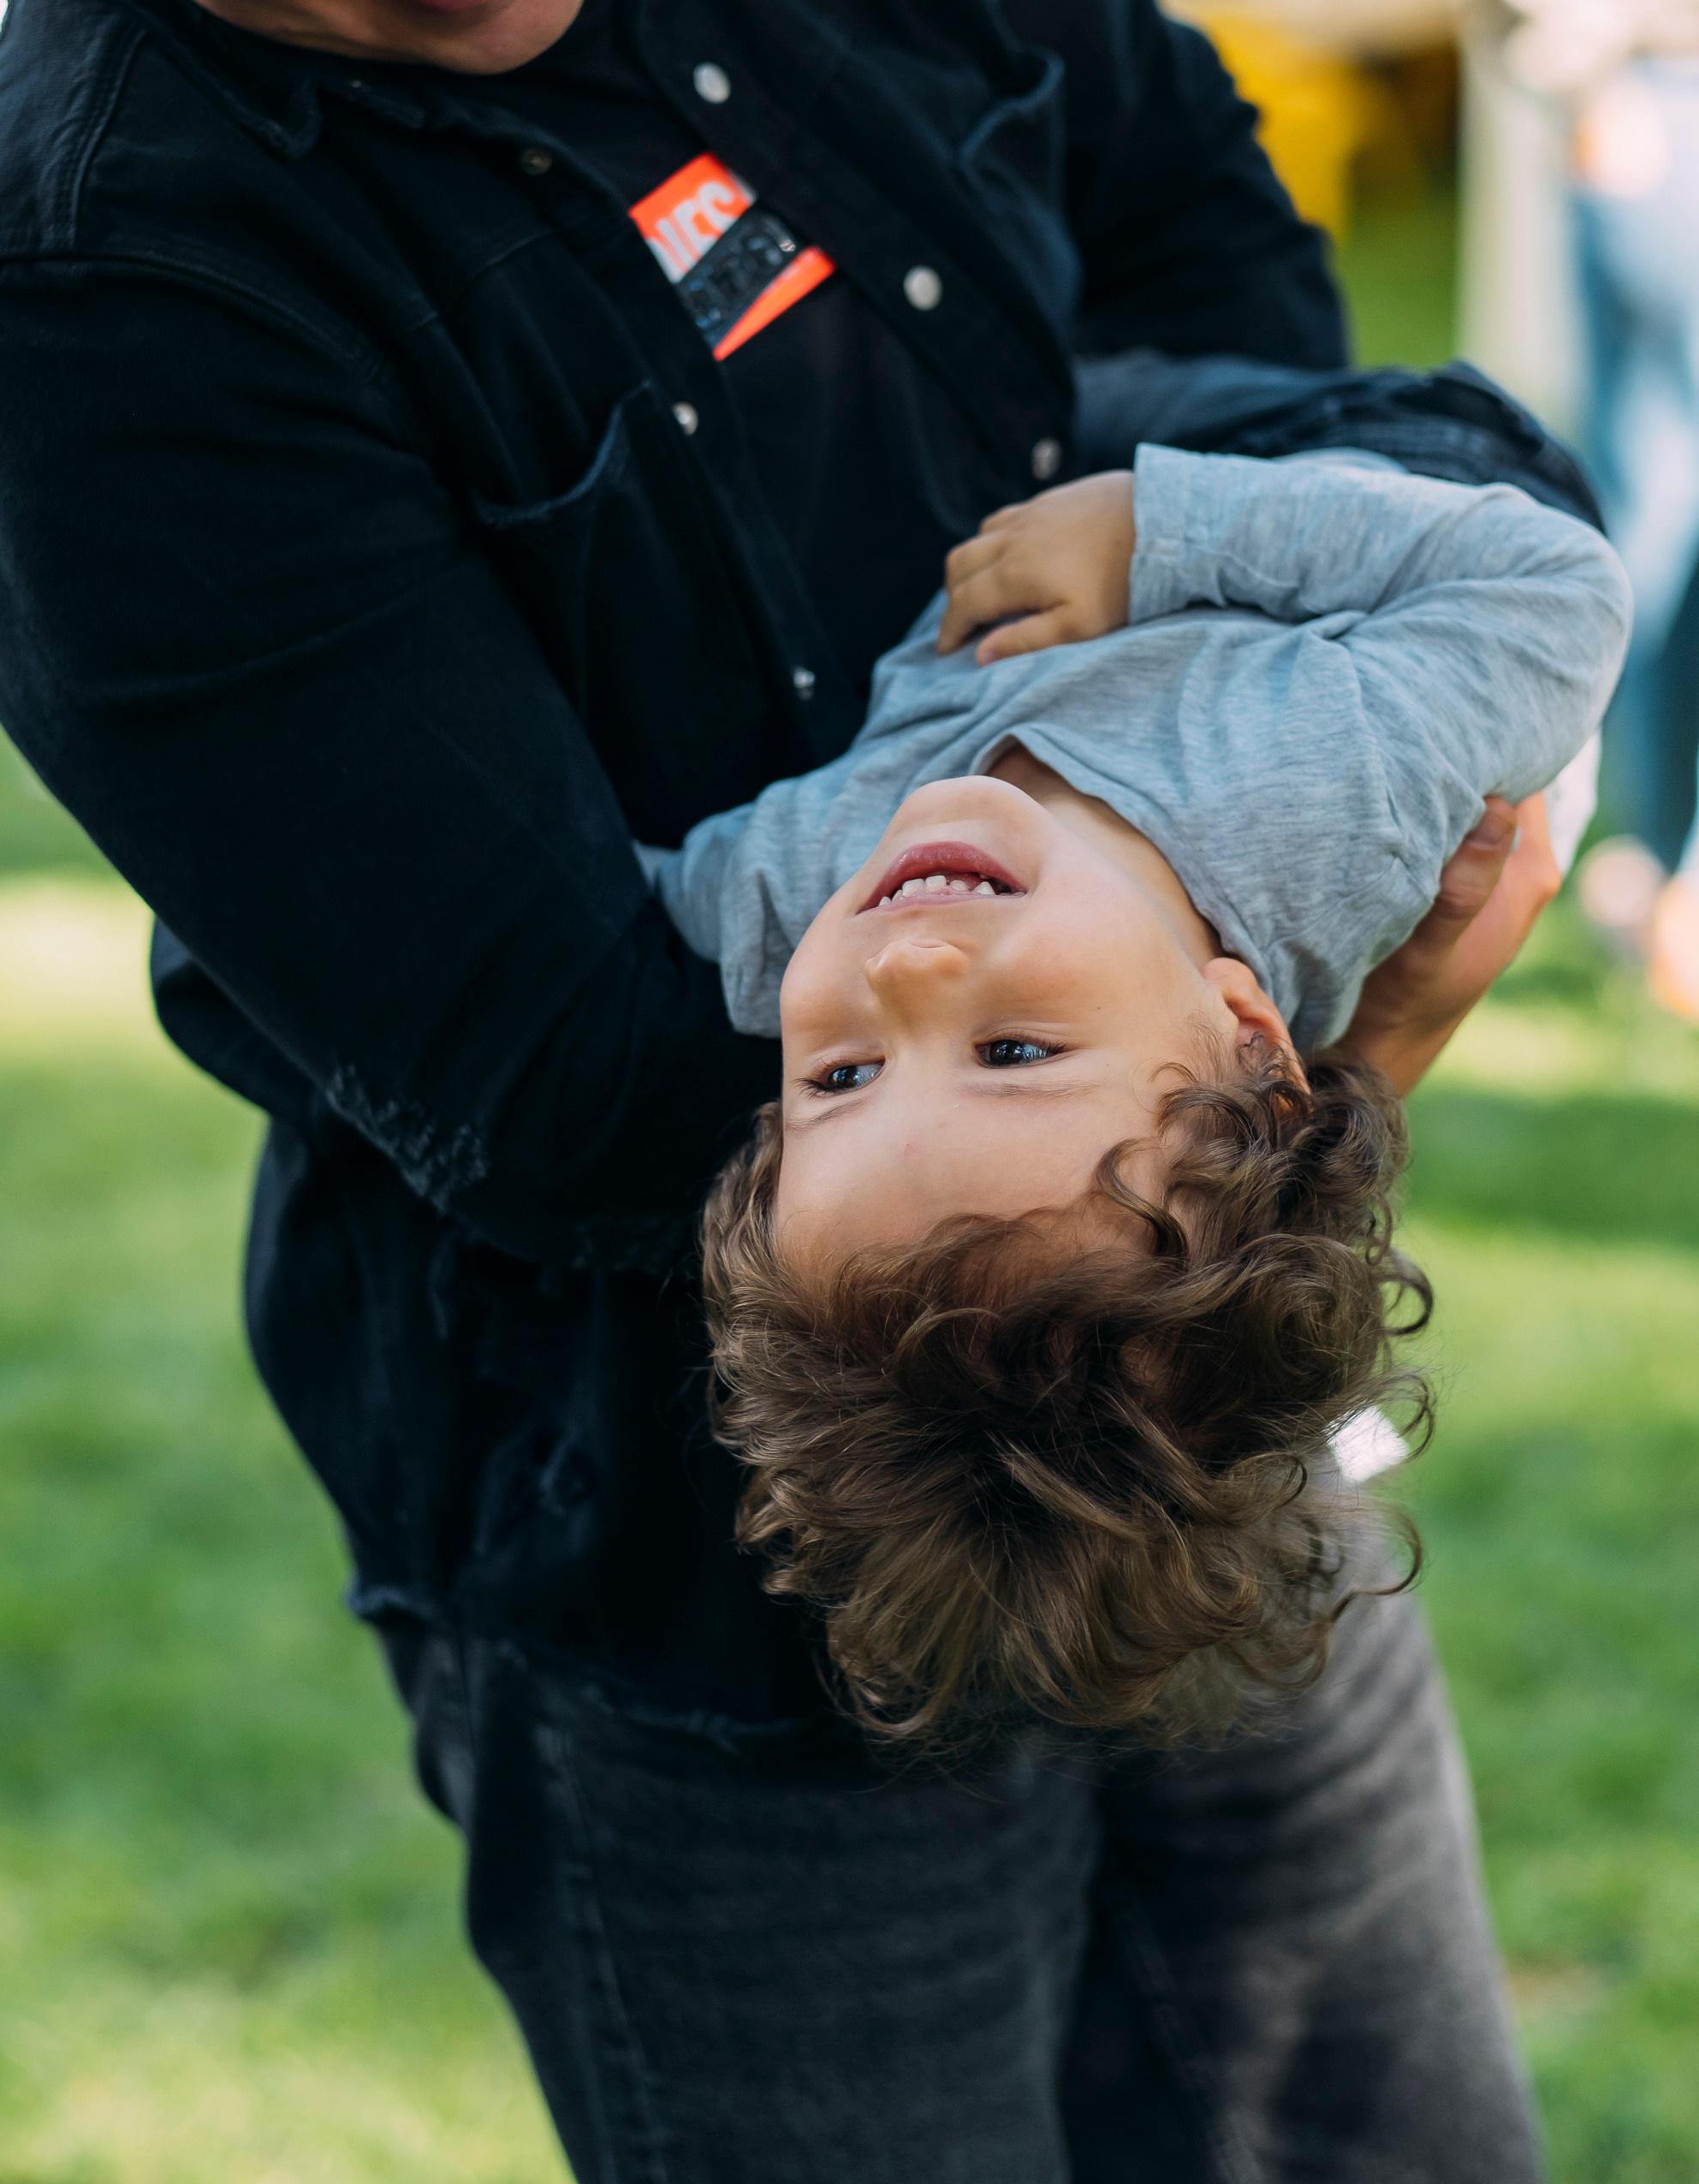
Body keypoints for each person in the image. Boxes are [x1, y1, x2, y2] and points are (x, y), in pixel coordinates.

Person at [0, 0, 1567, 2173]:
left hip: (1206, 1387)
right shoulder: (89, 289)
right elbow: (581, 1078)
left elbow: (1209, 255)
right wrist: (1248, 1031)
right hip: (706, 1581)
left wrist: (1191, 1131)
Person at [653, 443, 1628, 1742]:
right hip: (1350, 461)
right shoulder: (1331, 795)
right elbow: (1556, 586)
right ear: (1244, 1037)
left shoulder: (782, 896)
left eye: (841, 1076)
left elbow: (546, 902)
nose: (910, 965)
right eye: (1013, 1054)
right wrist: (1155, 531)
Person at [1455, 0, 1699, 1015]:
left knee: (1649, 518)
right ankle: (1634, 860)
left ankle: (1636, 866)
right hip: (1653, 121)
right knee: (1648, 524)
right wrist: (1608, 62)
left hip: (1642, 119)